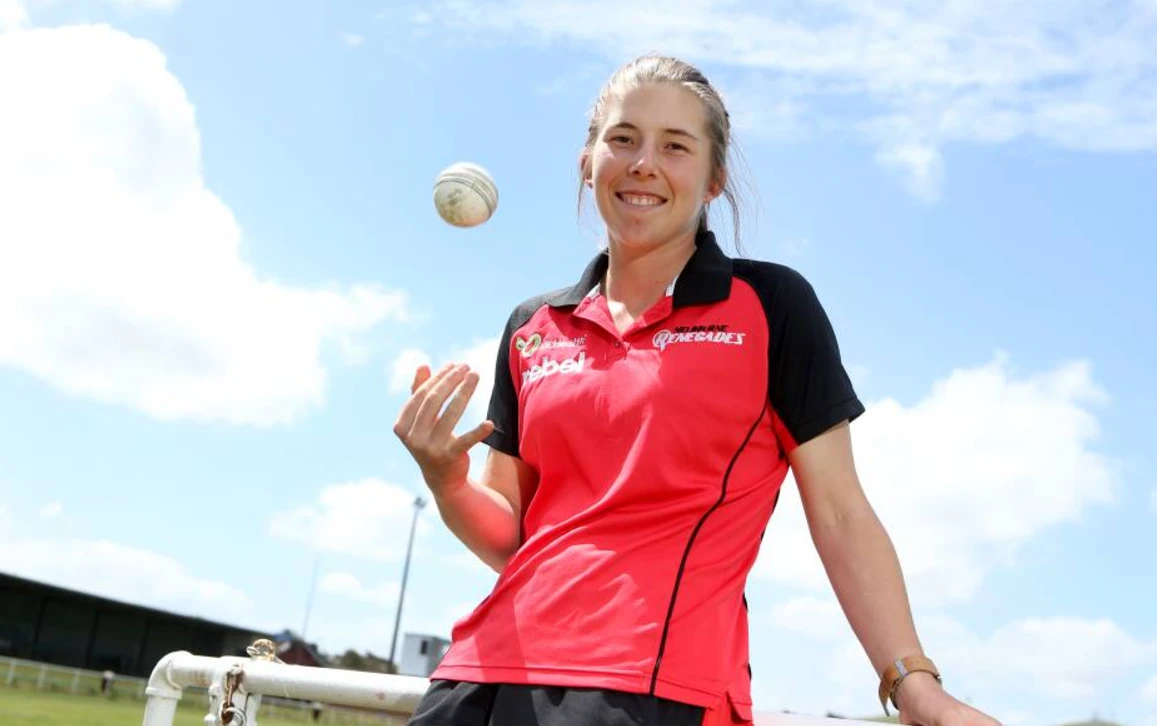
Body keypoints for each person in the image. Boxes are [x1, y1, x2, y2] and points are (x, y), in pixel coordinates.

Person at [394, 54, 1000, 726]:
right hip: (479, 671)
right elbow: (512, 532)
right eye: (622, 138)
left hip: (650, 684)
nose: (643, 162)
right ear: (587, 162)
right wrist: (448, 482)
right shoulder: (532, 327)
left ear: (713, 180)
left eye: (674, 146)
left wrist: (912, 681)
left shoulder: (772, 306)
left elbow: (839, 513)